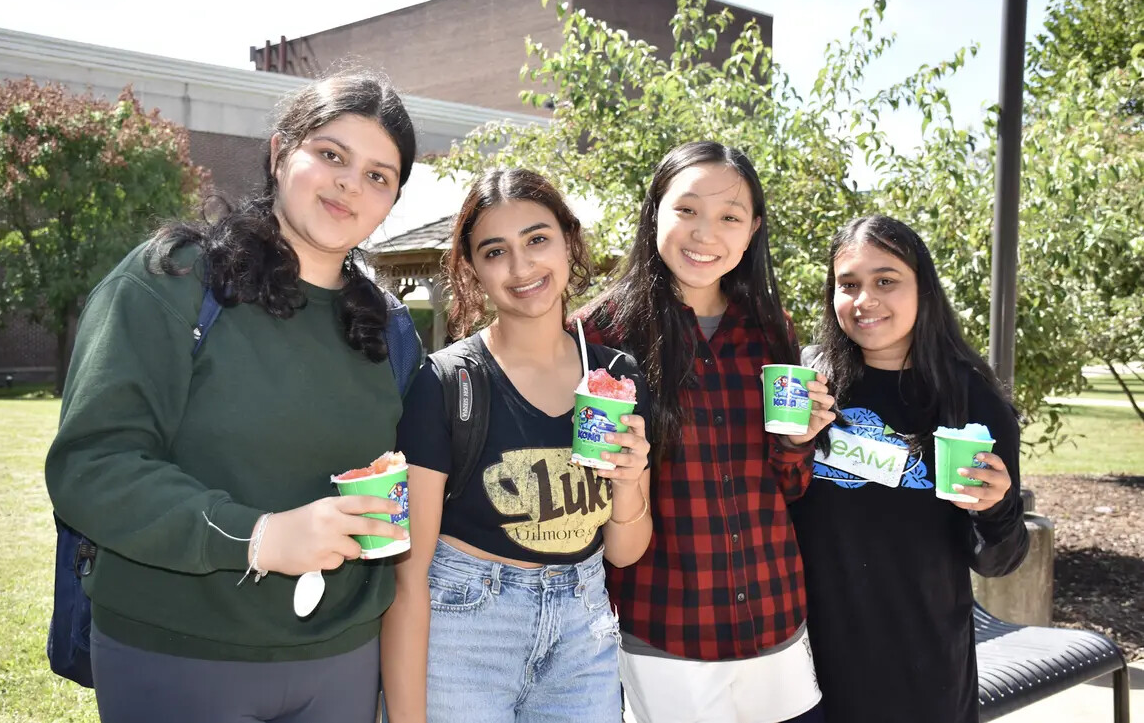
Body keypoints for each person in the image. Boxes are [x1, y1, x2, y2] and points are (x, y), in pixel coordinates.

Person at [45, 70, 418, 723]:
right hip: (177, 651)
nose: (349, 184)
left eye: (378, 175)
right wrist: (260, 537)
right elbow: (92, 467)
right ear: (280, 153)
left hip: (343, 658)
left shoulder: (390, 329)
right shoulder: (175, 278)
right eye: (330, 154)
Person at [382, 168, 653, 723]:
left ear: (569, 242)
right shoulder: (446, 383)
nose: (523, 267)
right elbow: (409, 578)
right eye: (495, 251)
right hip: (467, 625)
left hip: (584, 625)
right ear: (472, 269)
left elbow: (625, 550)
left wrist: (627, 483)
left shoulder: (616, 379)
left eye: (537, 239)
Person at [579, 141, 836, 723]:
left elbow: (788, 487)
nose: (705, 234)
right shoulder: (600, 333)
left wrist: (799, 443)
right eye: (687, 210)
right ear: (655, 212)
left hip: (775, 616)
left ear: (753, 231)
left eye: (729, 217)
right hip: (666, 628)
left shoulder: (770, 329)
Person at [789, 215, 1029, 723]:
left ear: (923, 289)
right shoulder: (809, 384)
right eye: (848, 284)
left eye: (886, 281)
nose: (865, 300)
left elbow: (999, 560)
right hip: (802, 661)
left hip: (920, 667)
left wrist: (998, 508)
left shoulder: (971, 400)